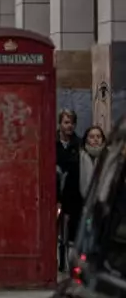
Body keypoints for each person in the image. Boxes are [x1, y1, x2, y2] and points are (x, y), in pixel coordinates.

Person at [58, 110, 84, 271]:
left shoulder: (79, 144)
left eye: (72, 123)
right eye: (66, 122)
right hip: (53, 193)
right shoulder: (51, 142)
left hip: (72, 195)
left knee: (71, 233)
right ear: (60, 123)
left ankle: (69, 264)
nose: (70, 126)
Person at [80, 125, 107, 201]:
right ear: (86, 139)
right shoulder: (79, 158)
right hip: (82, 204)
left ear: (103, 139)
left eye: (98, 137)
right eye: (92, 137)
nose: (95, 139)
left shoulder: (108, 158)